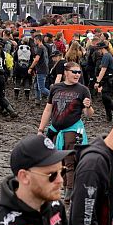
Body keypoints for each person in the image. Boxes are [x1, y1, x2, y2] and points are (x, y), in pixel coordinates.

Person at [38, 61, 94, 203]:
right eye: (74, 72)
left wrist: (88, 107)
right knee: (57, 161)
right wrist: (40, 129)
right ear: (66, 73)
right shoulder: (55, 88)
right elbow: (48, 109)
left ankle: (70, 191)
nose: (77, 75)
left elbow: (89, 114)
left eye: (79, 72)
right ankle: (65, 187)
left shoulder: (82, 90)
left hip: (73, 129)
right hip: (56, 130)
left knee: (70, 161)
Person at [92, 41, 113, 123]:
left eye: (98, 49)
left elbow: (103, 70)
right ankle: (109, 117)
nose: (97, 51)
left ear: (101, 49)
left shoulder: (106, 56)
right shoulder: (109, 55)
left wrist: (97, 82)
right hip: (110, 80)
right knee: (105, 99)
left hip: (109, 80)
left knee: (106, 98)